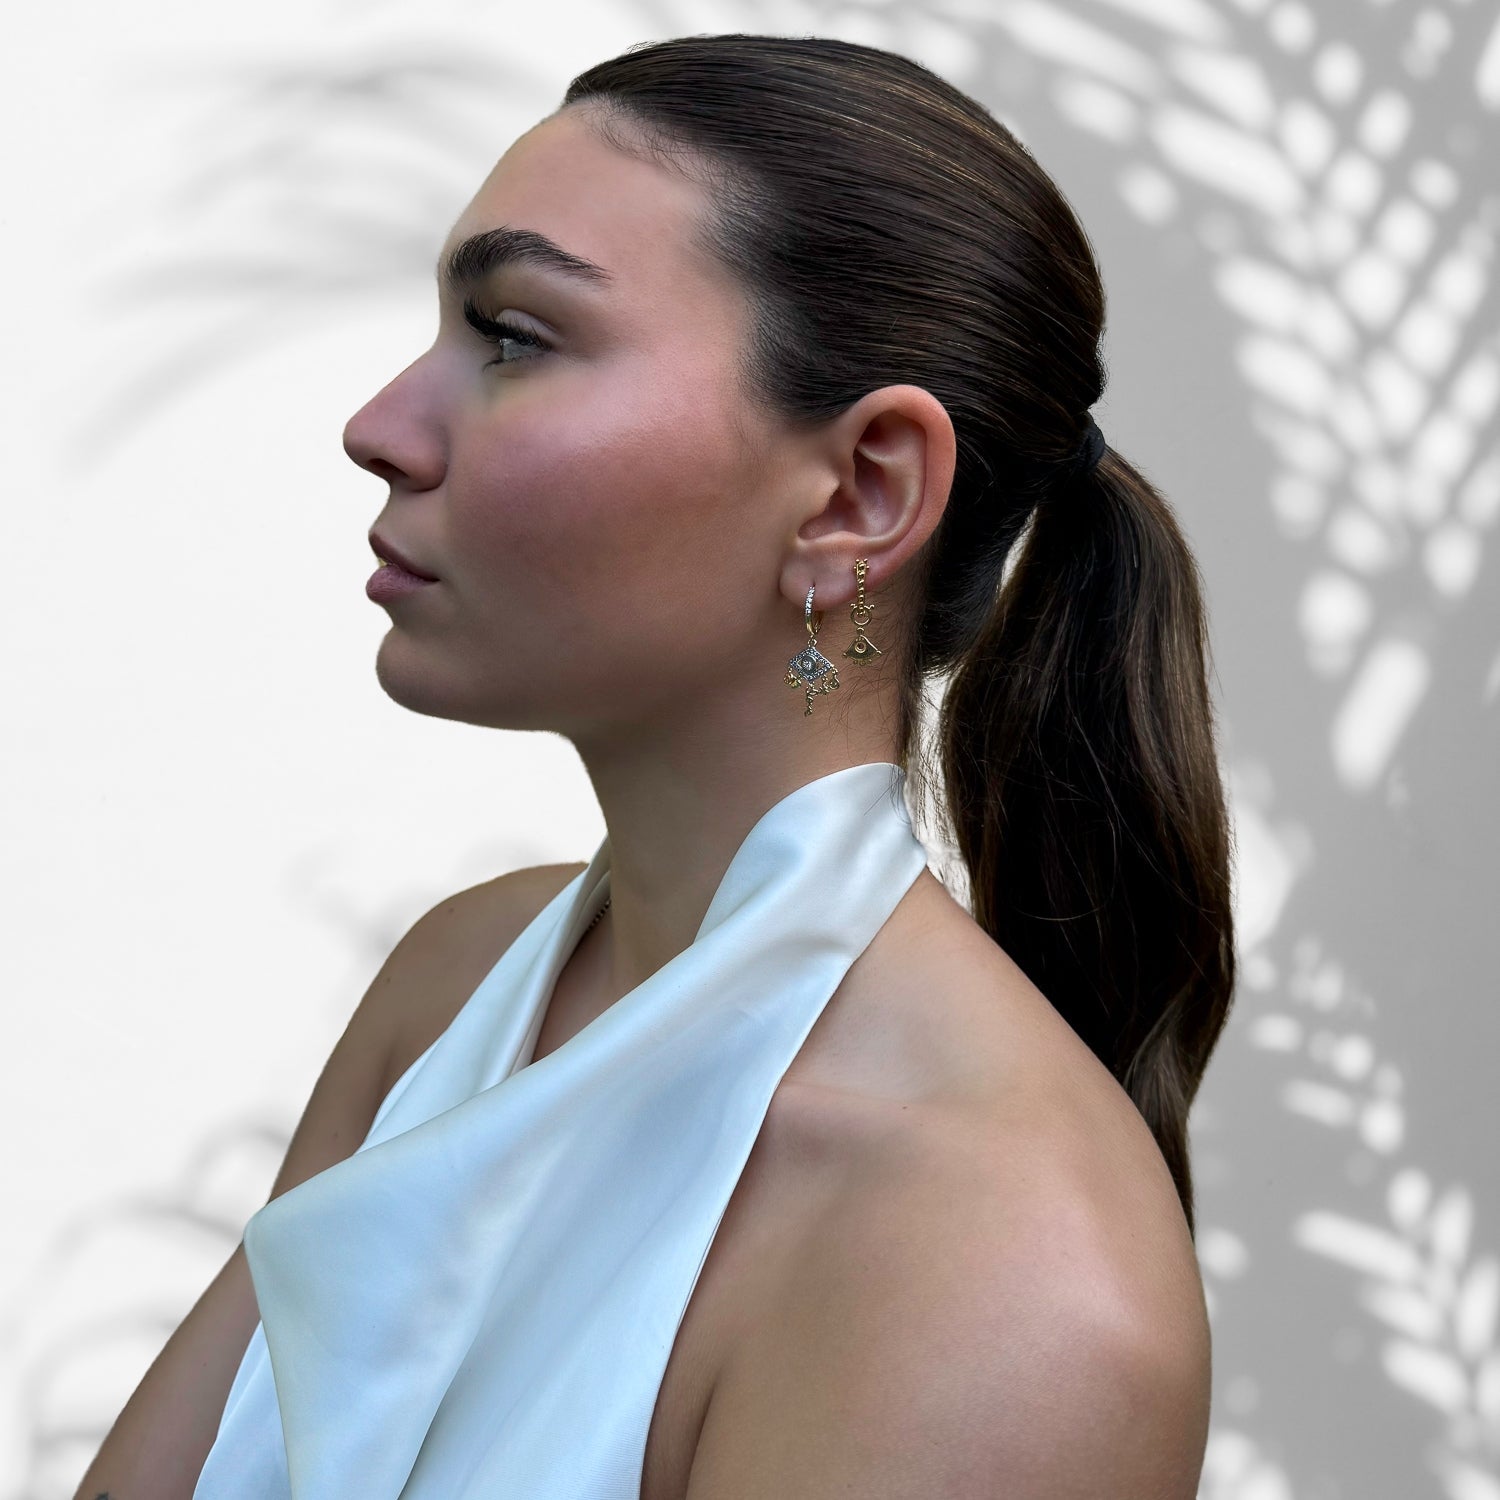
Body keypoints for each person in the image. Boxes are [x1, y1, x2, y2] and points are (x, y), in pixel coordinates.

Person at [79, 32, 1234, 1500]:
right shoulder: (462, 985)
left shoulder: (1000, 1271)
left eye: (513, 334)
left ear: (861, 495)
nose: (380, 430)